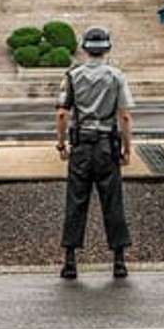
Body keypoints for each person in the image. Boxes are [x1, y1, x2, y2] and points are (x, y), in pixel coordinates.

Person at [56, 26, 134, 279]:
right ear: (107, 48)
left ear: (84, 48)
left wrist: (61, 144)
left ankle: (70, 261)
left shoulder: (72, 76)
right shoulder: (116, 76)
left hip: (81, 146)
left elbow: (61, 113)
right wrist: (127, 148)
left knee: (76, 201)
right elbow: (124, 115)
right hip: (106, 145)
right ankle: (119, 261)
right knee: (112, 201)